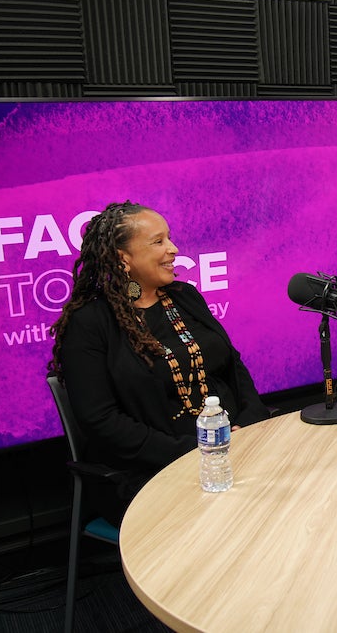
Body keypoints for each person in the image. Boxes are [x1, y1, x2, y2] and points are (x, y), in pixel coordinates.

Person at [49, 201, 270, 524]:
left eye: (169, 238)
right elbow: (101, 421)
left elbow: (233, 367)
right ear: (124, 258)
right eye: (158, 241)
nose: (173, 249)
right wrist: (193, 451)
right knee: (242, 515)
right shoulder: (90, 323)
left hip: (233, 449)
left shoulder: (185, 297)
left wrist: (249, 425)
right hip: (151, 470)